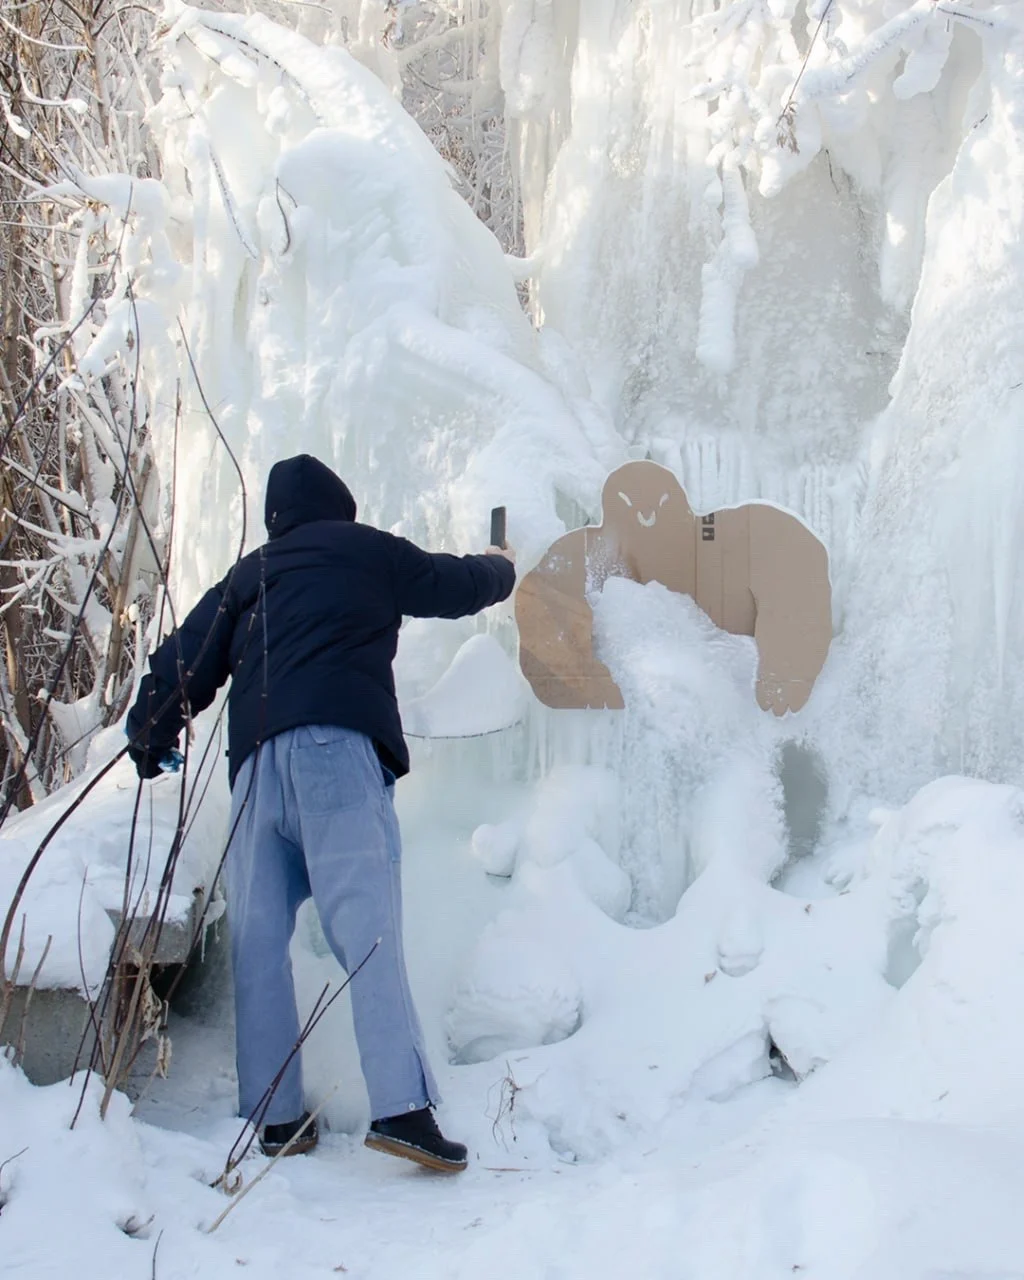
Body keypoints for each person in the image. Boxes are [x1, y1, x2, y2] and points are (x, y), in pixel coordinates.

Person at [126, 454, 515, 1173]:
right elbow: (450, 584)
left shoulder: (250, 575)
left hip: (256, 771)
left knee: (258, 939)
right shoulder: (366, 551)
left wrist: (150, 730)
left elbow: (188, 654)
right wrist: (502, 567)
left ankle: (273, 1118)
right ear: (341, 507)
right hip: (336, 751)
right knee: (366, 932)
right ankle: (400, 1109)